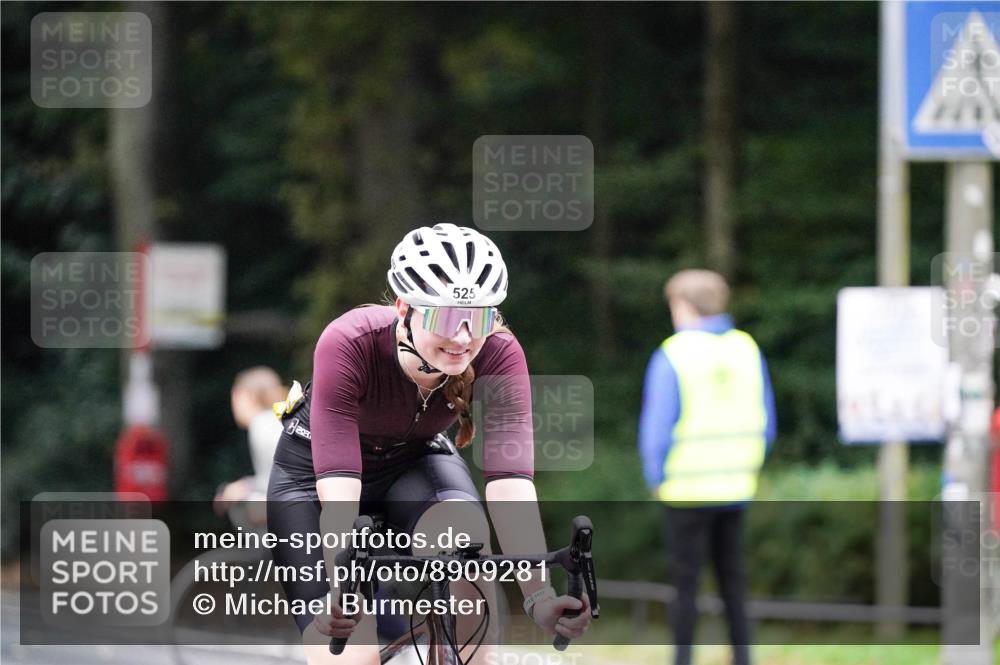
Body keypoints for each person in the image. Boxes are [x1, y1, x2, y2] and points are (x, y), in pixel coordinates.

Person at [267, 223, 591, 665]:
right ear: (404, 308)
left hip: (413, 464)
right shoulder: (349, 341)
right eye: (444, 317)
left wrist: (539, 596)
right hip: (316, 481)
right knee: (351, 653)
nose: (463, 338)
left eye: (479, 318)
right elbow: (339, 491)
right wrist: (342, 590)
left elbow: (510, 484)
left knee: (466, 543)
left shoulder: (499, 352)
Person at [637, 269, 776, 665]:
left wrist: (655, 476)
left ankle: (683, 659)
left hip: (685, 489)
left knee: (685, 585)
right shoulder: (746, 348)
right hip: (737, 484)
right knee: (734, 580)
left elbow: (657, 427)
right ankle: (743, 657)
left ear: (684, 306)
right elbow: (767, 419)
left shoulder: (674, 352)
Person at [213, 366, 286, 520]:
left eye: (235, 397)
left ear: (247, 396)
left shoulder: (262, 424)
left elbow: (286, 477)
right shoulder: (276, 420)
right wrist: (246, 485)